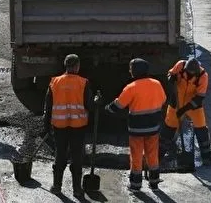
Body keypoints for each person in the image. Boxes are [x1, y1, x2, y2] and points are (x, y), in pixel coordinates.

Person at [106, 58, 166, 191]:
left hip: (136, 129)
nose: (129, 71)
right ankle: (154, 183)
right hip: (153, 127)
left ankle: (136, 185)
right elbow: (163, 100)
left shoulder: (131, 87)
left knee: (136, 156)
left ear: (135, 71)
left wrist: (107, 108)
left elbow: (118, 105)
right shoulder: (157, 84)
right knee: (152, 154)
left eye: (130, 69)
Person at [41, 54, 94, 199]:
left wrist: (45, 126)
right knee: (77, 156)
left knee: (60, 154)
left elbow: (48, 106)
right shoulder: (84, 83)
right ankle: (77, 190)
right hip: (78, 126)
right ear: (77, 66)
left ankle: (56, 186)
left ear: (65, 66)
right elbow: (89, 105)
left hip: (59, 126)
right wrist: (97, 103)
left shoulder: (55, 82)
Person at [158, 57, 211, 165]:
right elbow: (170, 73)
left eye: (193, 73)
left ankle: (207, 157)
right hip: (176, 102)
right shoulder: (180, 65)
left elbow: (199, 98)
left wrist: (183, 109)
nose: (190, 74)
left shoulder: (203, 76)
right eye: (189, 72)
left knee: (201, 130)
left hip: (193, 105)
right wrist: (171, 78)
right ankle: (158, 156)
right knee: (168, 129)